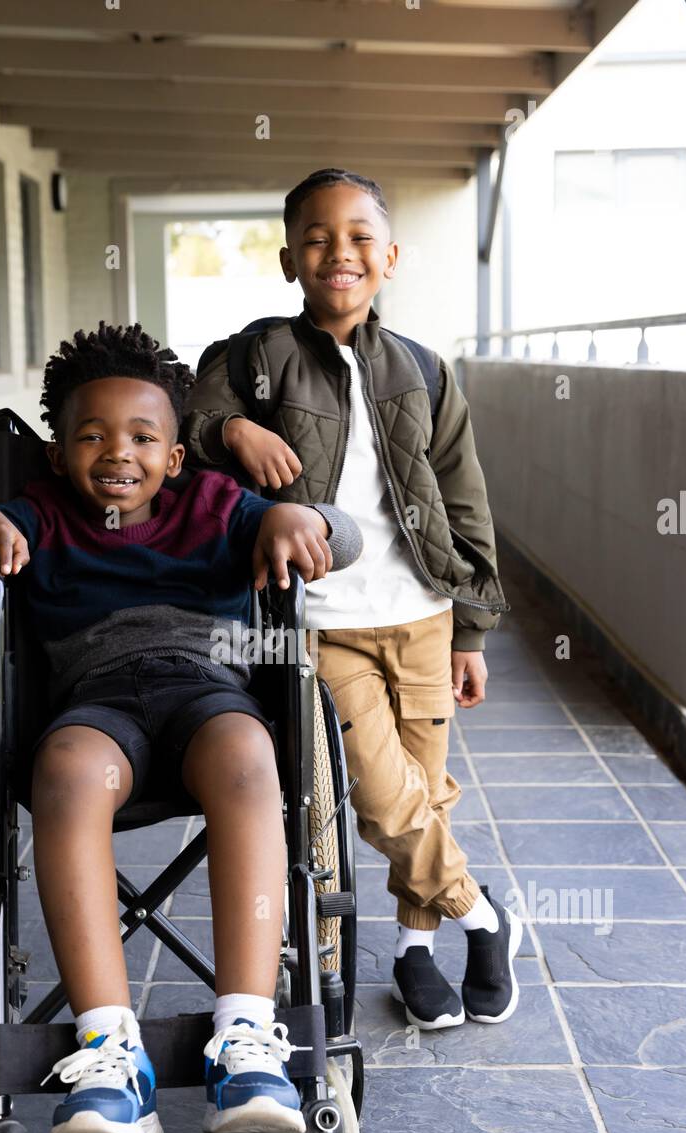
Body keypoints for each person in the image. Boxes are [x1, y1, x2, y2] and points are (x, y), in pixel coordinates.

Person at [0, 322, 362, 1133]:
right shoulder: (36, 515)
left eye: (144, 436)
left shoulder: (218, 506)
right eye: (91, 434)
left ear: (176, 456)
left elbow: (342, 533)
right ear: (55, 453)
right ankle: (108, 1050)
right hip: (96, 704)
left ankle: (246, 1039)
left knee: (251, 759)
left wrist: (300, 516)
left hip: (208, 693)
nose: (119, 452)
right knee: (67, 773)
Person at [183, 168, 523, 1032]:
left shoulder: (423, 368)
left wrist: (472, 627)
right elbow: (182, 424)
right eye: (319, 237)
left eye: (361, 237)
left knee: (426, 790)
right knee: (378, 796)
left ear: (390, 256)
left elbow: (463, 497)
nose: (342, 252)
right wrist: (232, 428)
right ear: (290, 256)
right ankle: (482, 916)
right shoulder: (253, 356)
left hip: (422, 614)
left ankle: (415, 954)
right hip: (322, 623)